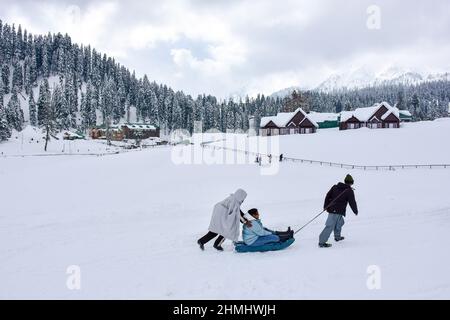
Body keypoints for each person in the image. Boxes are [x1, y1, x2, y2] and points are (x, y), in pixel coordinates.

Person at [318, 174, 358, 248]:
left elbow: (327, 196)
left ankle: (337, 237)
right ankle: (322, 242)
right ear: (351, 183)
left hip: (338, 211)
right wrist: (355, 211)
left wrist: (326, 205)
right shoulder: (349, 191)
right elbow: (352, 202)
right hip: (335, 211)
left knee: (340, 223)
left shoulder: (335, 187)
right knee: (330, 226)